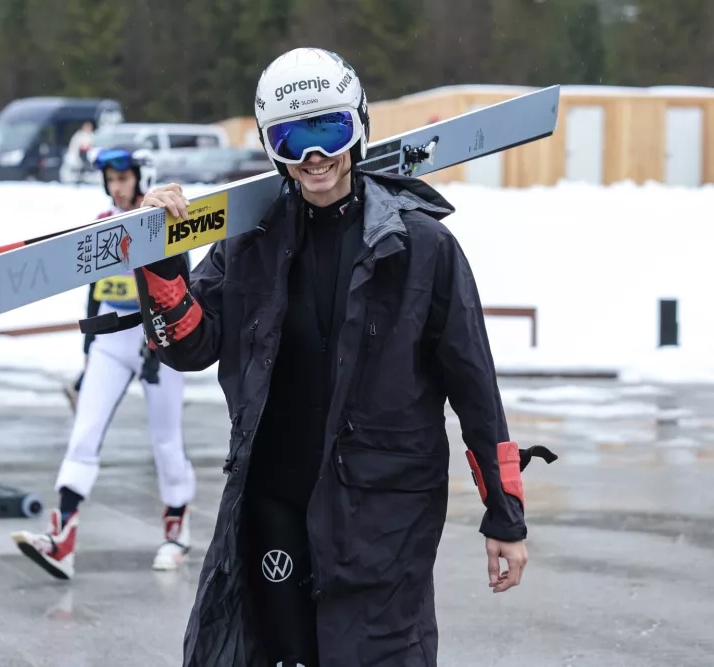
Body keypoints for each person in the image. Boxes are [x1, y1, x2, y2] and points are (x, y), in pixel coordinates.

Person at [129, 48, 556, 666]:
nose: (314, 156)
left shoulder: (423, 248)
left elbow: (476, 391)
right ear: (272, 145)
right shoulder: (251, 244)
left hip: (381, 514)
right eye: (292, 138)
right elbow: (190, 344)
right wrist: (164, 262)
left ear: (357, 126)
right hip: (276, 500)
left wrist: (505, 514)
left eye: (328, 130)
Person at [11, 146, 196, 580]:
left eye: (123, 179)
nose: (116, 187)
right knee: (84, 433)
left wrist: (166, 343)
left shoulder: (162, 220)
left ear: (139, 178)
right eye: (110, 180)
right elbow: (95, 291)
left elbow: (184, 279)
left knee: (166, 441)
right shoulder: (100, 225)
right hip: (112, 340)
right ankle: (63, 540)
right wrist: (87, 353)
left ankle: (176, 532)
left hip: (159, 336)